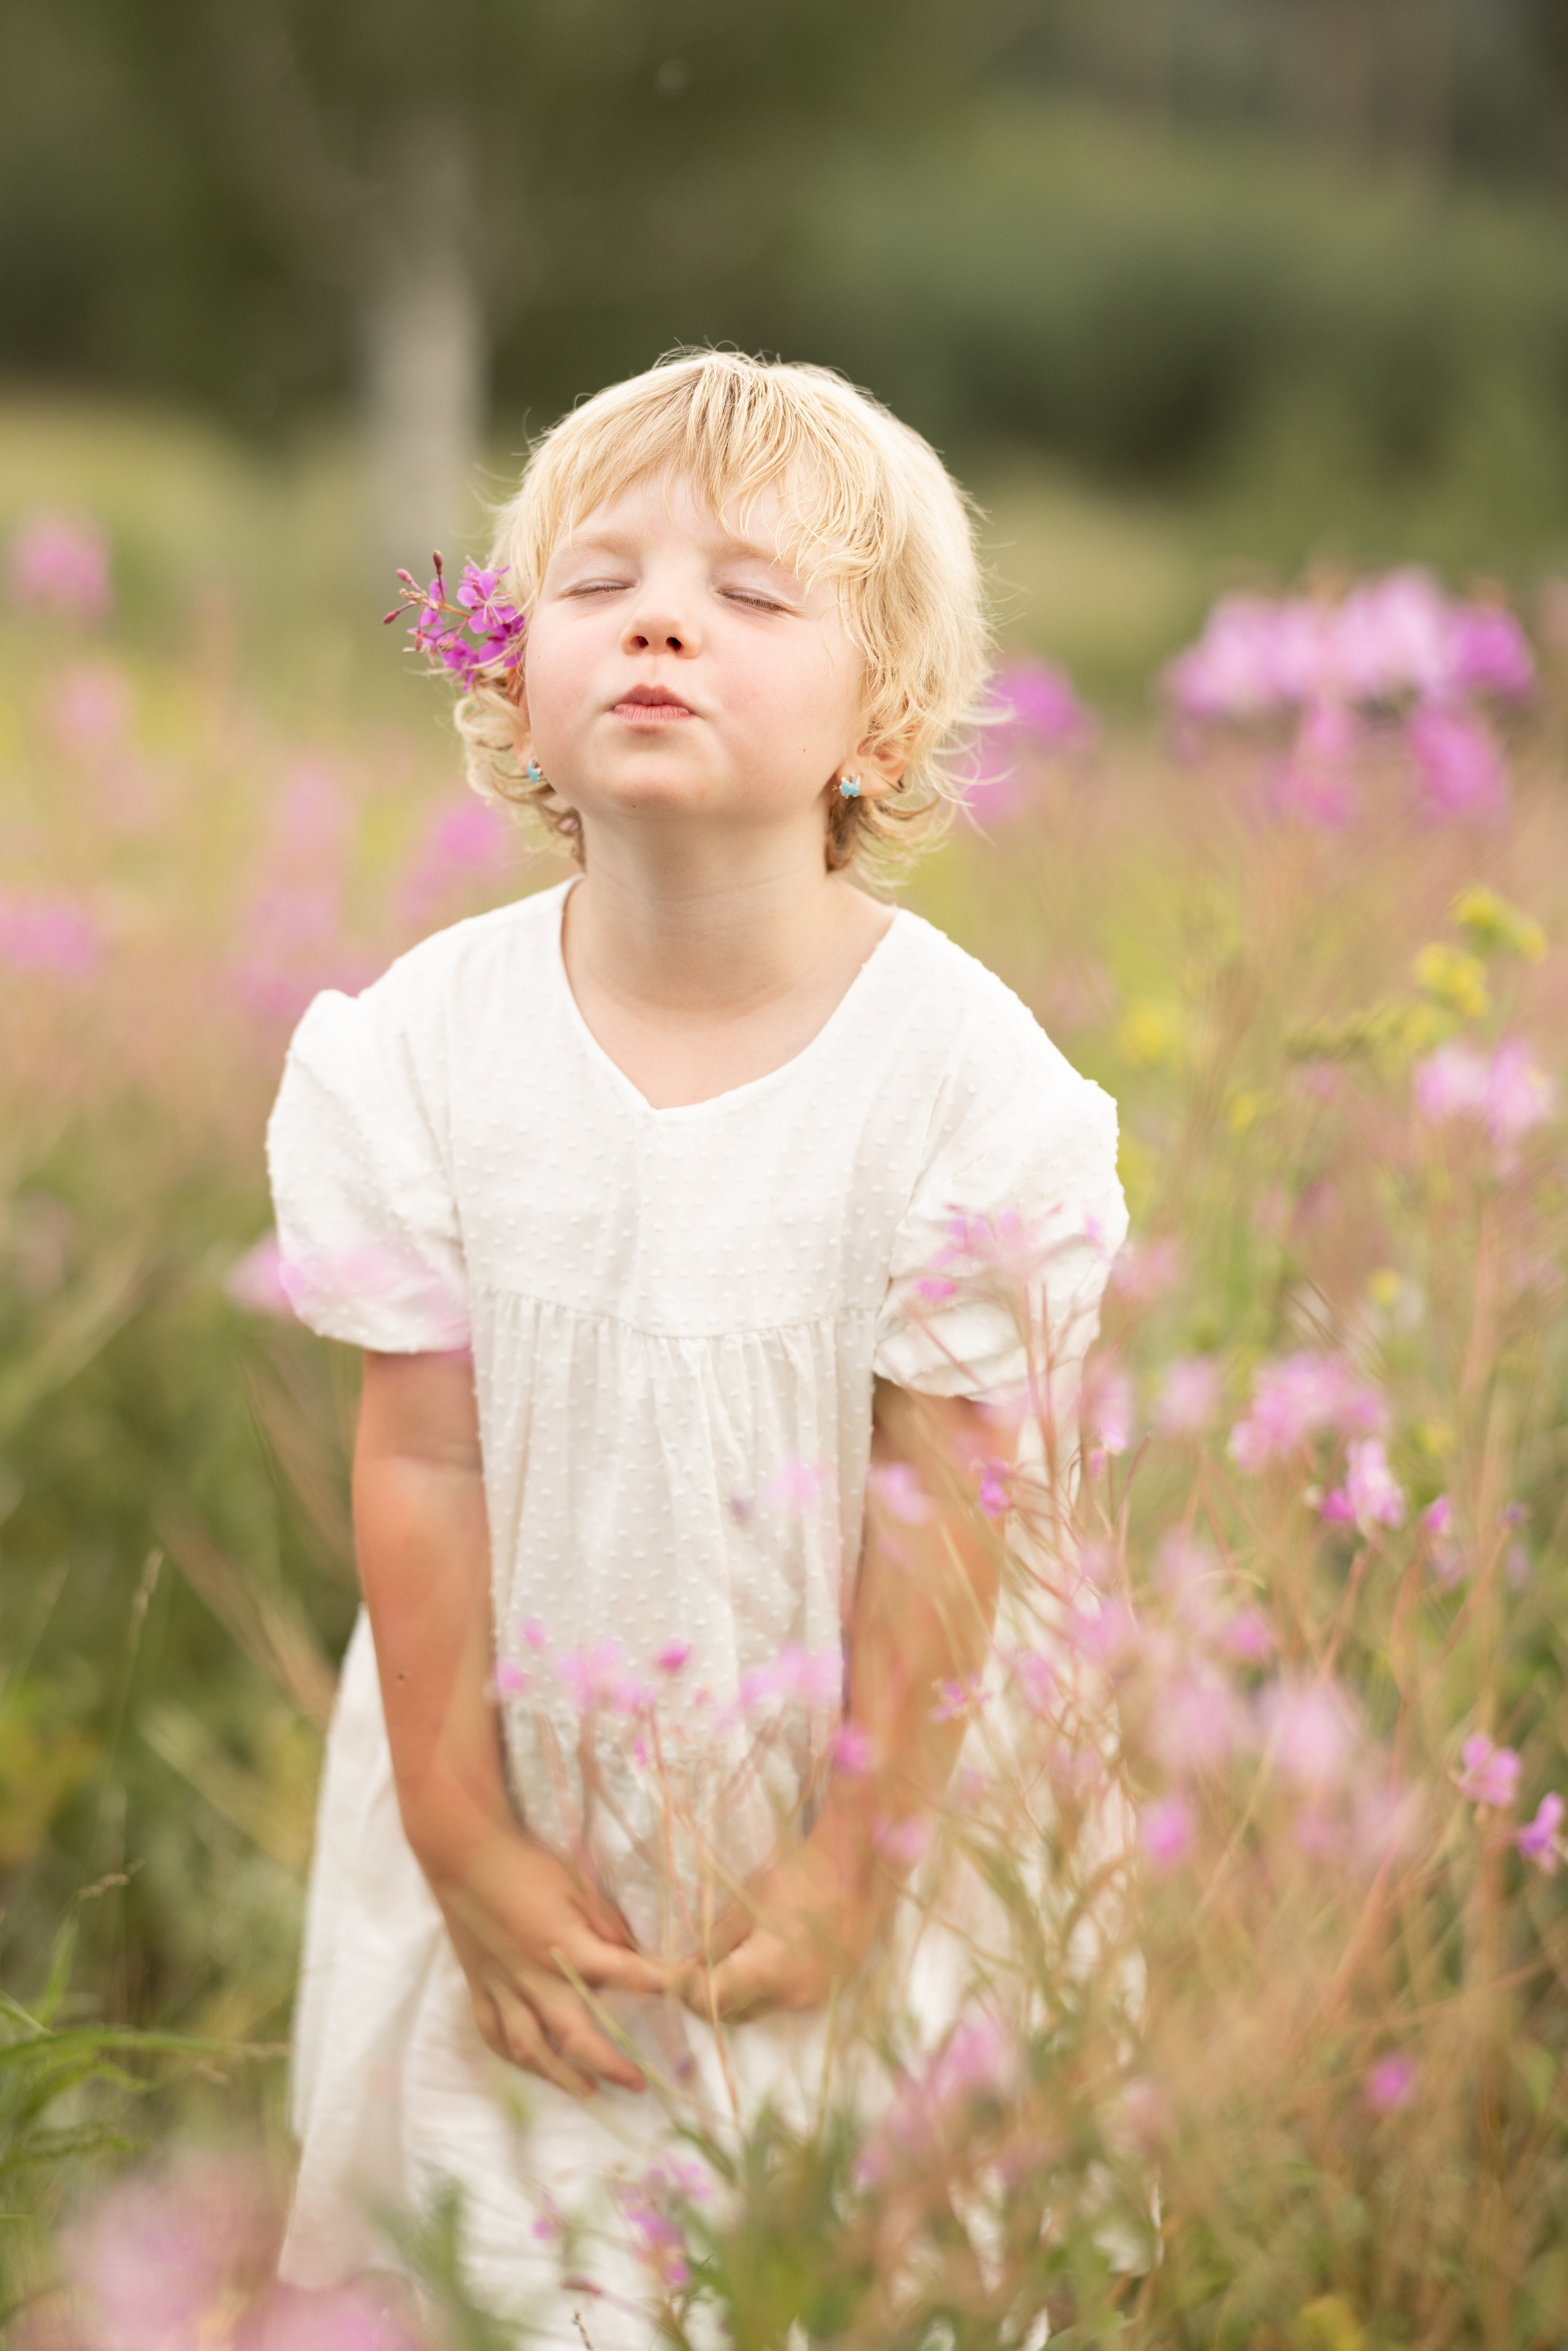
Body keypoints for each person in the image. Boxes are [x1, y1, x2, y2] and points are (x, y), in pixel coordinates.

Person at [267, 351, 1128, 2342]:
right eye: (603, 582)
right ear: (509, 678)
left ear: (882, 717)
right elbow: (420, 1457)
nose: (665, 617)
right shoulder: (421, 1052)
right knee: (505, 2271)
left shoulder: (963, 1088)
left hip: (841, 1821)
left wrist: (854, 1857)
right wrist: (462, 1833)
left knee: (833, 2279)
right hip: (523, 1807)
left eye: (756, 594)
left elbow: (945, 1507)